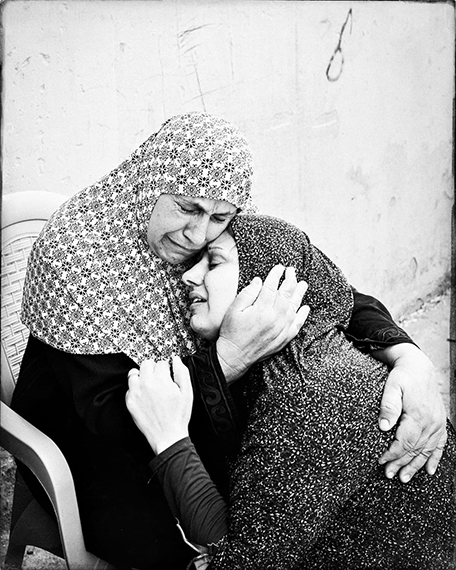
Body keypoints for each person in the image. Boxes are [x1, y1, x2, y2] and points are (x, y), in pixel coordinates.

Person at [11, 112, 446, 569]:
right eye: (186, 208)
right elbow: (117, 419)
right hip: (104, 451)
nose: (198, 235)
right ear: (148, 185)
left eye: (219, 216)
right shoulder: (79, 256)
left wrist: (411, 361)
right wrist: (230, 358)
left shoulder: (228, 229)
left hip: (199, 425)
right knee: (245, 534)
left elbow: (325, 290)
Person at [126, 214, 456, 569]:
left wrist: (170, 441)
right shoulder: (314, 355)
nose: (189, 277)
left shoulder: (305, 395)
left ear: (273, 283)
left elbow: (238, 564)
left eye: (215, 262)